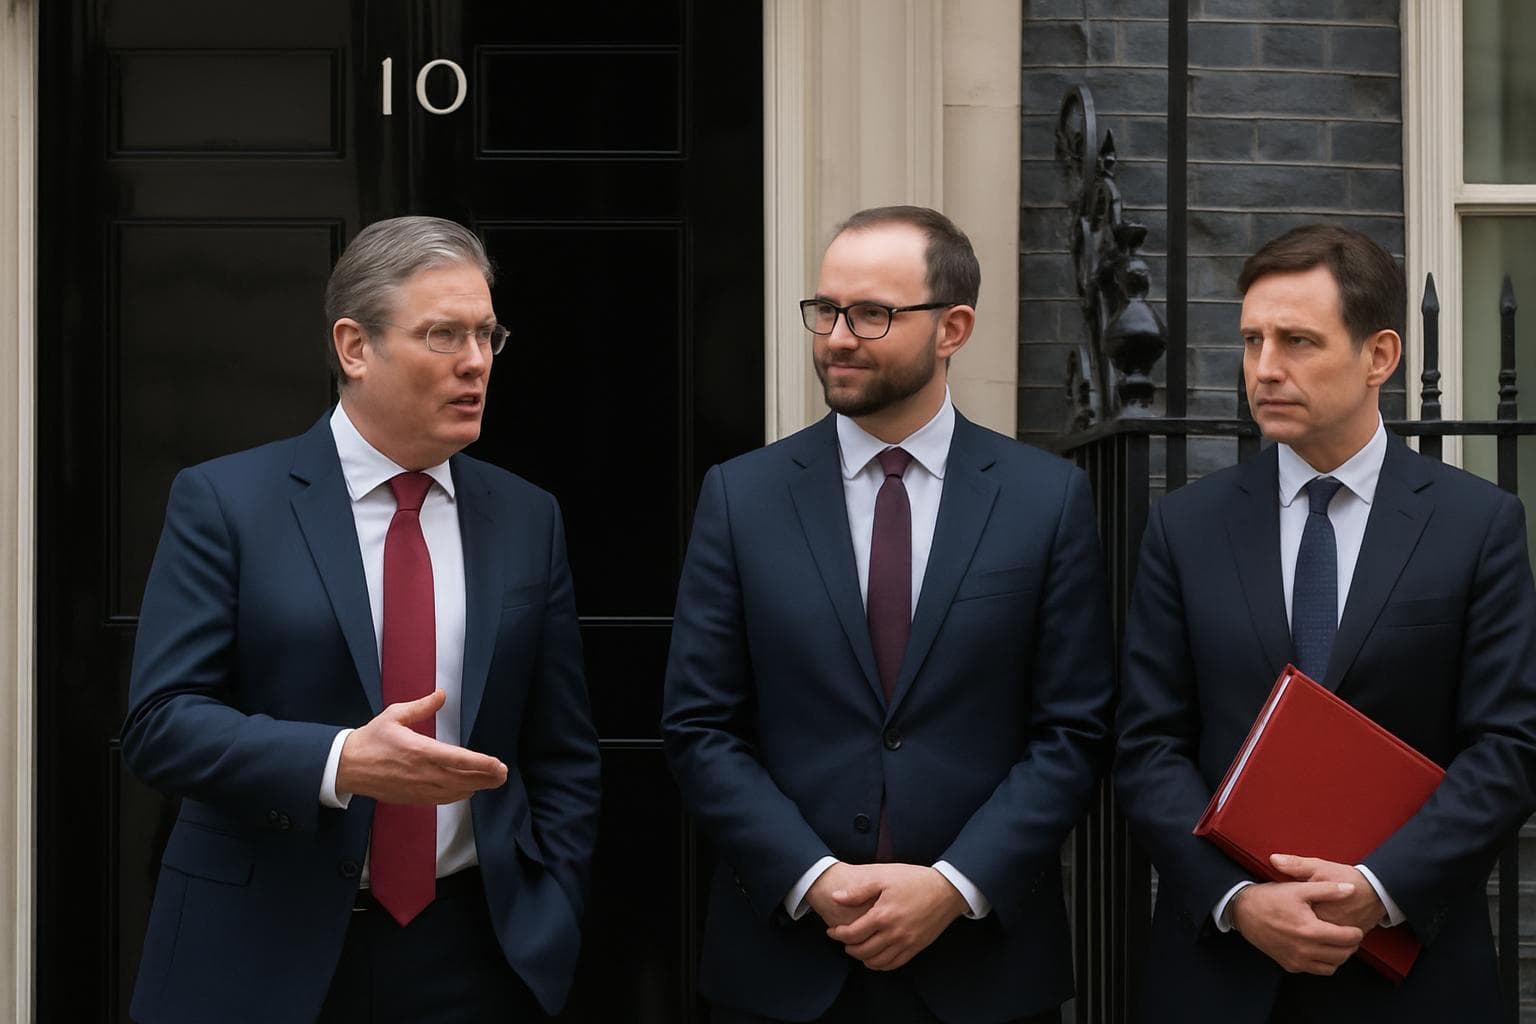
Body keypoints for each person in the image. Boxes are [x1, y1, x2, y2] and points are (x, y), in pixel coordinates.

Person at [120, 216, 601, 1023]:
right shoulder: (226, 503)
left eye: (487, 334)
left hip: (474, 954)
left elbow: (563, 750)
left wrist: (553, 902)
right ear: (354, 347)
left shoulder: (527, 516)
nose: (476, 362)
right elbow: (160, 725)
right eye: (443, 334)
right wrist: (340, 761)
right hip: (259, 947)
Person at [661, 205, 1114, 1024]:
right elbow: (700, 727)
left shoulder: (1046, 502)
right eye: (826, 309)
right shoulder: (742, 497)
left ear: (954, 328)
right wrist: (812, 877)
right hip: (786, 962)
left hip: (982, 968)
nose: (836, 335)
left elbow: (1073, 732)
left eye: (872, 314)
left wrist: (954, 885)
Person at [1114, 223, 1536, 1023]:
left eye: (1298, 341)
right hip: (1220, 977)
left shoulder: (1476, 526)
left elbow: (1509, 746)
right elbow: (1147, 745)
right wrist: (1237, 899)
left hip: (1414, 976)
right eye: (1251, 341)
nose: (1265, 369)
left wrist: (1378, 889)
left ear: (1380, 355)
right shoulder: (1185, 529)